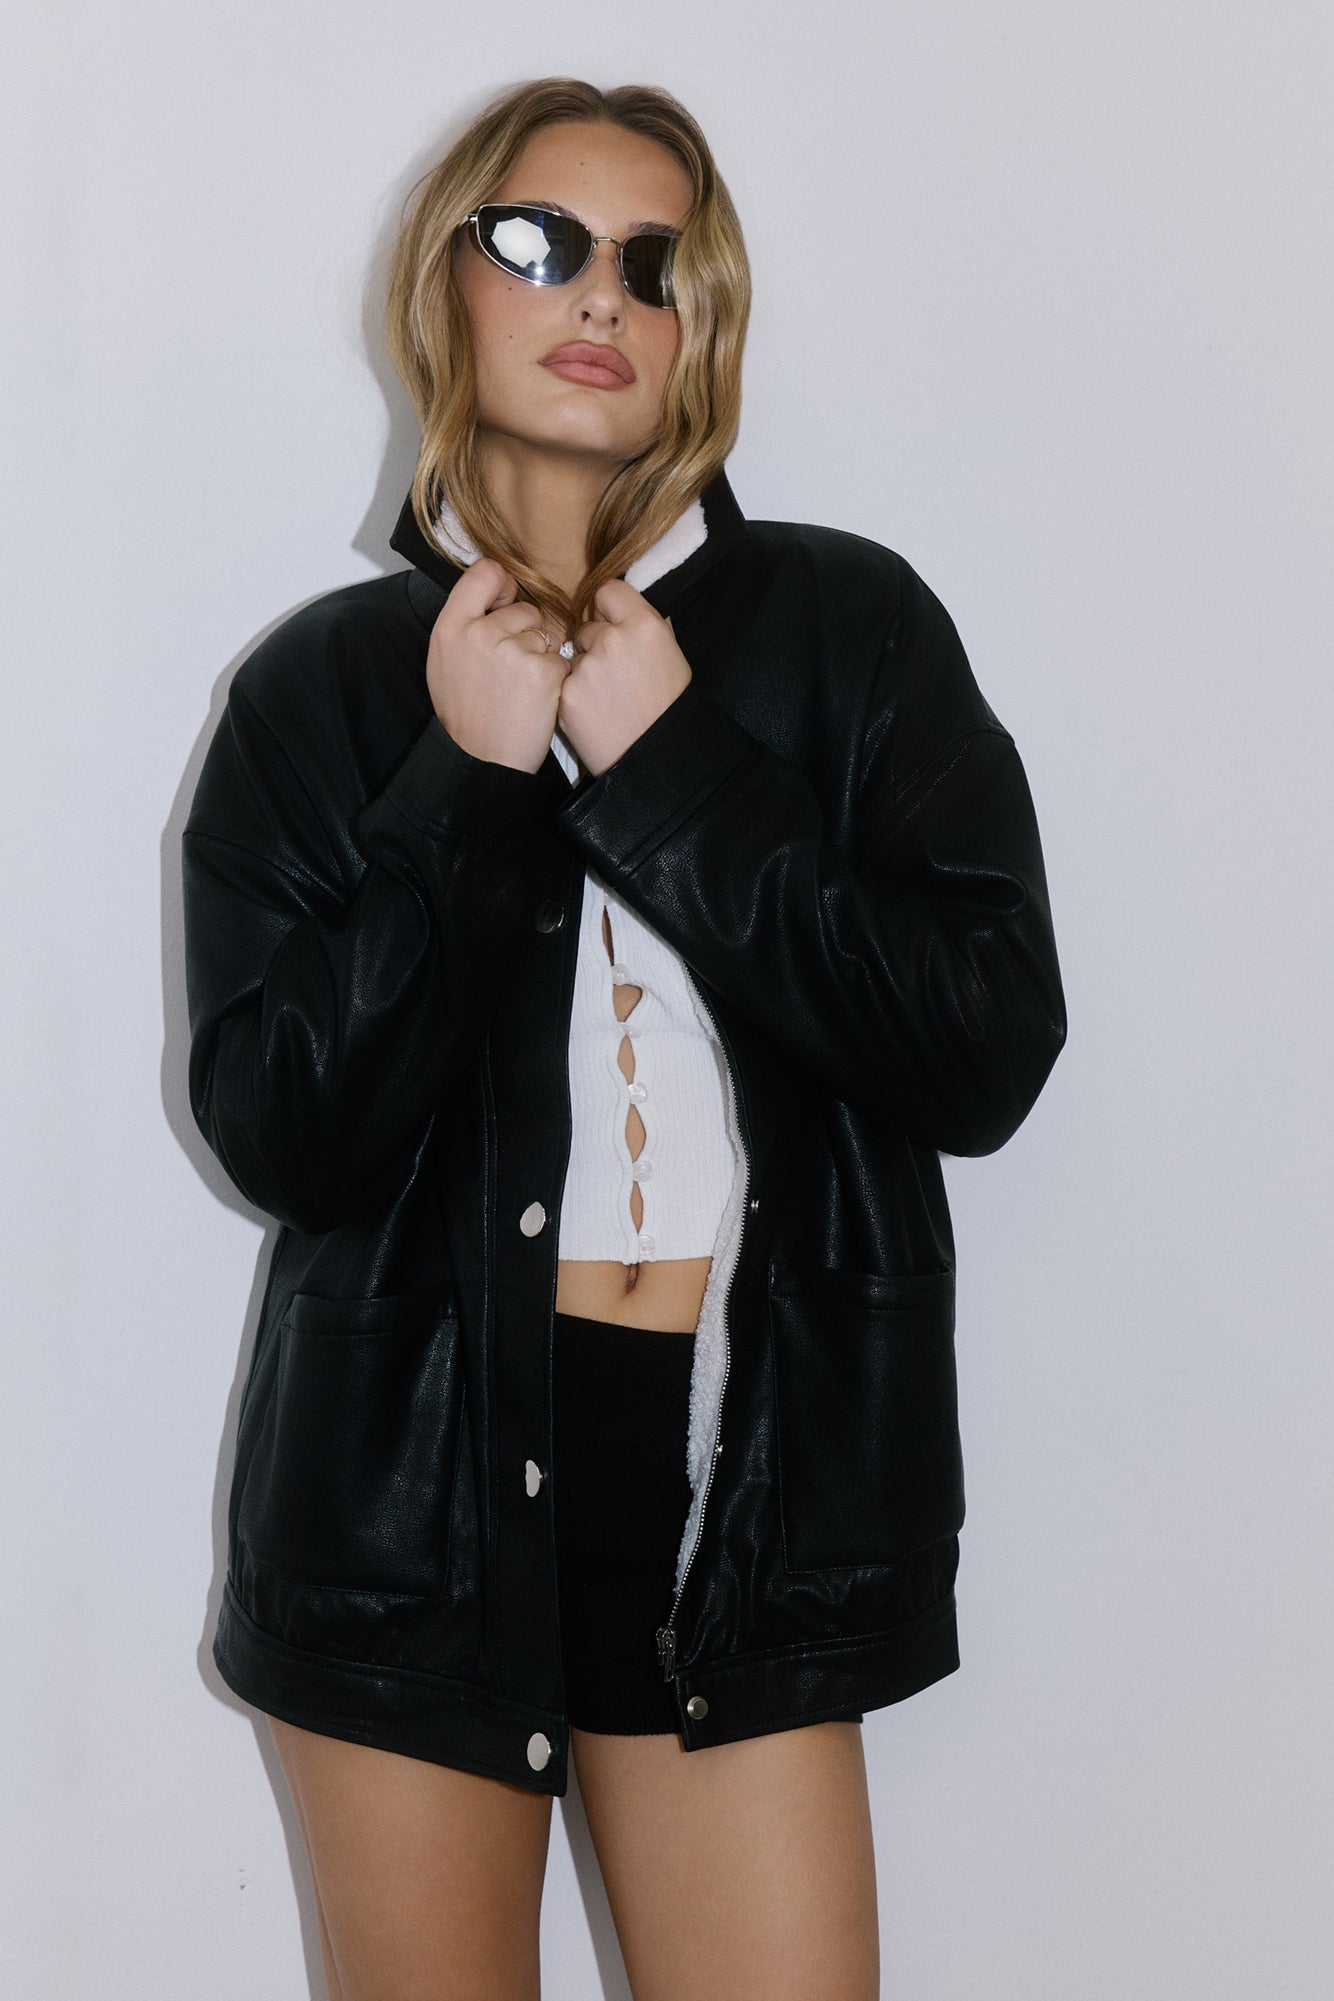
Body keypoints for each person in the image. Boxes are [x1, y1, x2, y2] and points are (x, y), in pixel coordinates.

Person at [182, 75, 1066, 2001]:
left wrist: (668, 766)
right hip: (408, 1505)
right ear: (446, 283)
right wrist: (462, 780)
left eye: (656, 265)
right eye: (540, 242)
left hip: (743, 1485)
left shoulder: (850, 629)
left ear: (701, 324)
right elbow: (285, 1136)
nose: (601, 293)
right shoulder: (322, 691)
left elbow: (984, 1050)